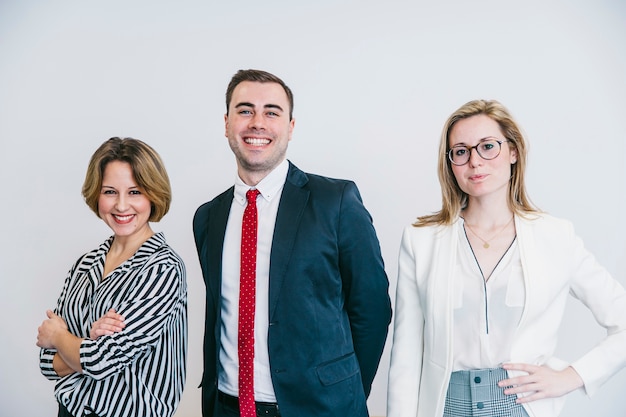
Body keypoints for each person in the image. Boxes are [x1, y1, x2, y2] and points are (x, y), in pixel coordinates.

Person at [387, 99, 626, 417]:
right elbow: (405, 355)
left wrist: (572, 377)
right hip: (444, 408)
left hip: (522, 408)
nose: (474, 161)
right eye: (461, 151)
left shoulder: (556, 237)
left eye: (488, 146)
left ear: (513, 151)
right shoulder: (421, 241)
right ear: (450, 163)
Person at [193, 69, 392, 417]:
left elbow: (372, 309)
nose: (257, 123)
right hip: (228, 407)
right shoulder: (209, 217)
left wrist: (347, 393)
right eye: (244, 110)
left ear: (290, 126)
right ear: (226, 124)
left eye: (272, 112)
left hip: (321, 408)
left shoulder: (336, 201)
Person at [37, 137, 187, 417]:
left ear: (153, 194)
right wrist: (86, 342)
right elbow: (47, 363)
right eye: (110, 191)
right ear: (97, 194)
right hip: (70, 410)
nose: (121, 206)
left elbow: (100, 361)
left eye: (134, 192)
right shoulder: (84, 265)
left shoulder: (163, 269)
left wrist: (61, 337)